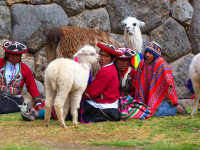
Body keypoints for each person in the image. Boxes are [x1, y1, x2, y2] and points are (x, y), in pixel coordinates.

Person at [21, 42, 123, 122]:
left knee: (69, 105)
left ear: (113, 59)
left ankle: (36, 114)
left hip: (102, 106)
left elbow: (91, 93)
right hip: (109, 104)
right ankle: (41, 110)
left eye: (106, 56)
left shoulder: (106, 71)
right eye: (101, 55)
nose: (102, 59)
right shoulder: (111, 69)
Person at [134, 41, 187, 117]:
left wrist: (172, 99)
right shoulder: (142, 63)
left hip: (161, 99)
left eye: (150, 53)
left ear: (156, 54)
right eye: (146, 52)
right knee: (141, 111)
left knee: (153, 114)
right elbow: (137, 79)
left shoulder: (161, 64)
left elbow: (169, 83)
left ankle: (177, 108)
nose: (147, 55)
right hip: (146, 98)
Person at [0, 41, 44, 114]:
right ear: (7, 54)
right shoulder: (0, 63)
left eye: (18, 55)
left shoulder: (24, 69)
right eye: (12, 55)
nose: (15, 58)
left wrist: (38, 104)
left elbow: (32, 87)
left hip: (14, 100)